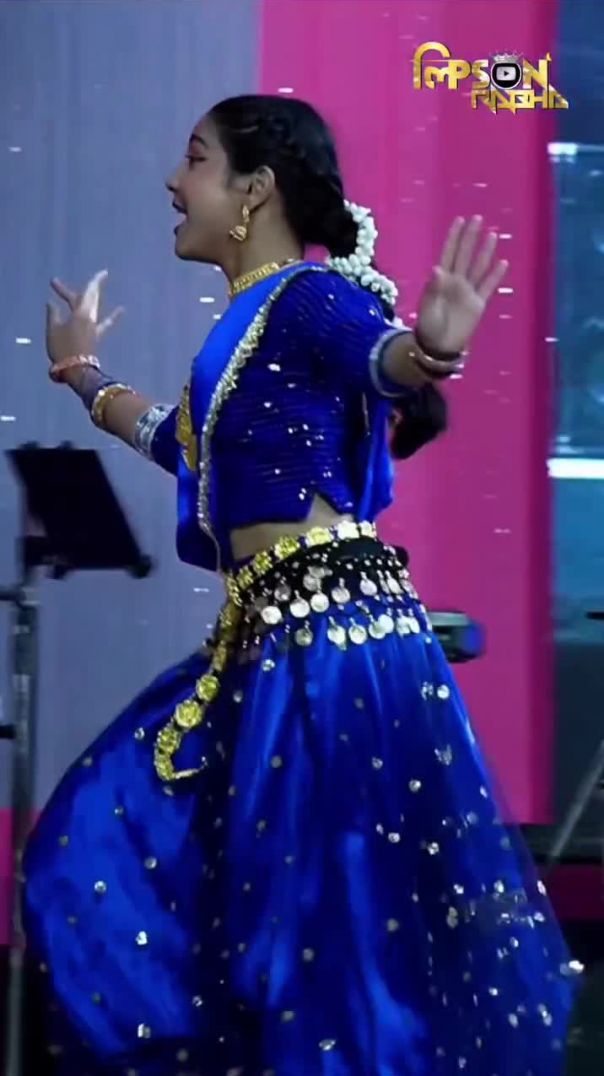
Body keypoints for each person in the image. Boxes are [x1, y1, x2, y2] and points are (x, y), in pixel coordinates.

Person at [24, 95, 580, 1076]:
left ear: (255, 190)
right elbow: (181, 444)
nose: (173, 180)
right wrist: (82, 374)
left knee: (317, 929)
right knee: (110, 835)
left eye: (195, 159)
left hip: (327, 647)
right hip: (273, 636)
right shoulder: (244, 330)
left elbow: (384, 359)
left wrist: (433, 349)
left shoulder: (311, 298)